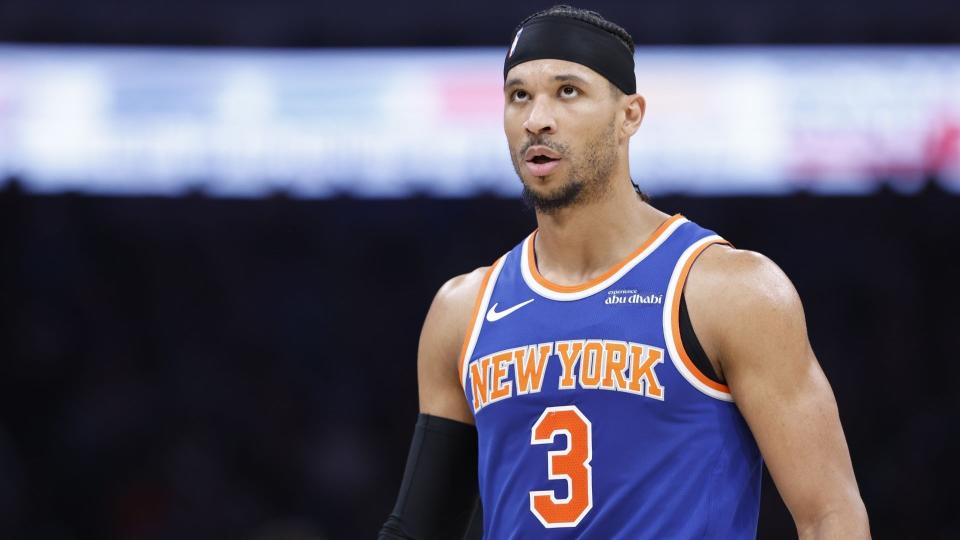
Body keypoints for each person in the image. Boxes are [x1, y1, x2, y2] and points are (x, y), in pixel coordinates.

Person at [380, 5, 870, 539]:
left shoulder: (727, 291)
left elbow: (830, 517)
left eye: (568, 91)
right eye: (519, 95)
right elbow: (418, 530)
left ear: (629, 116)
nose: (536, 118)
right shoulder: (463, 310)